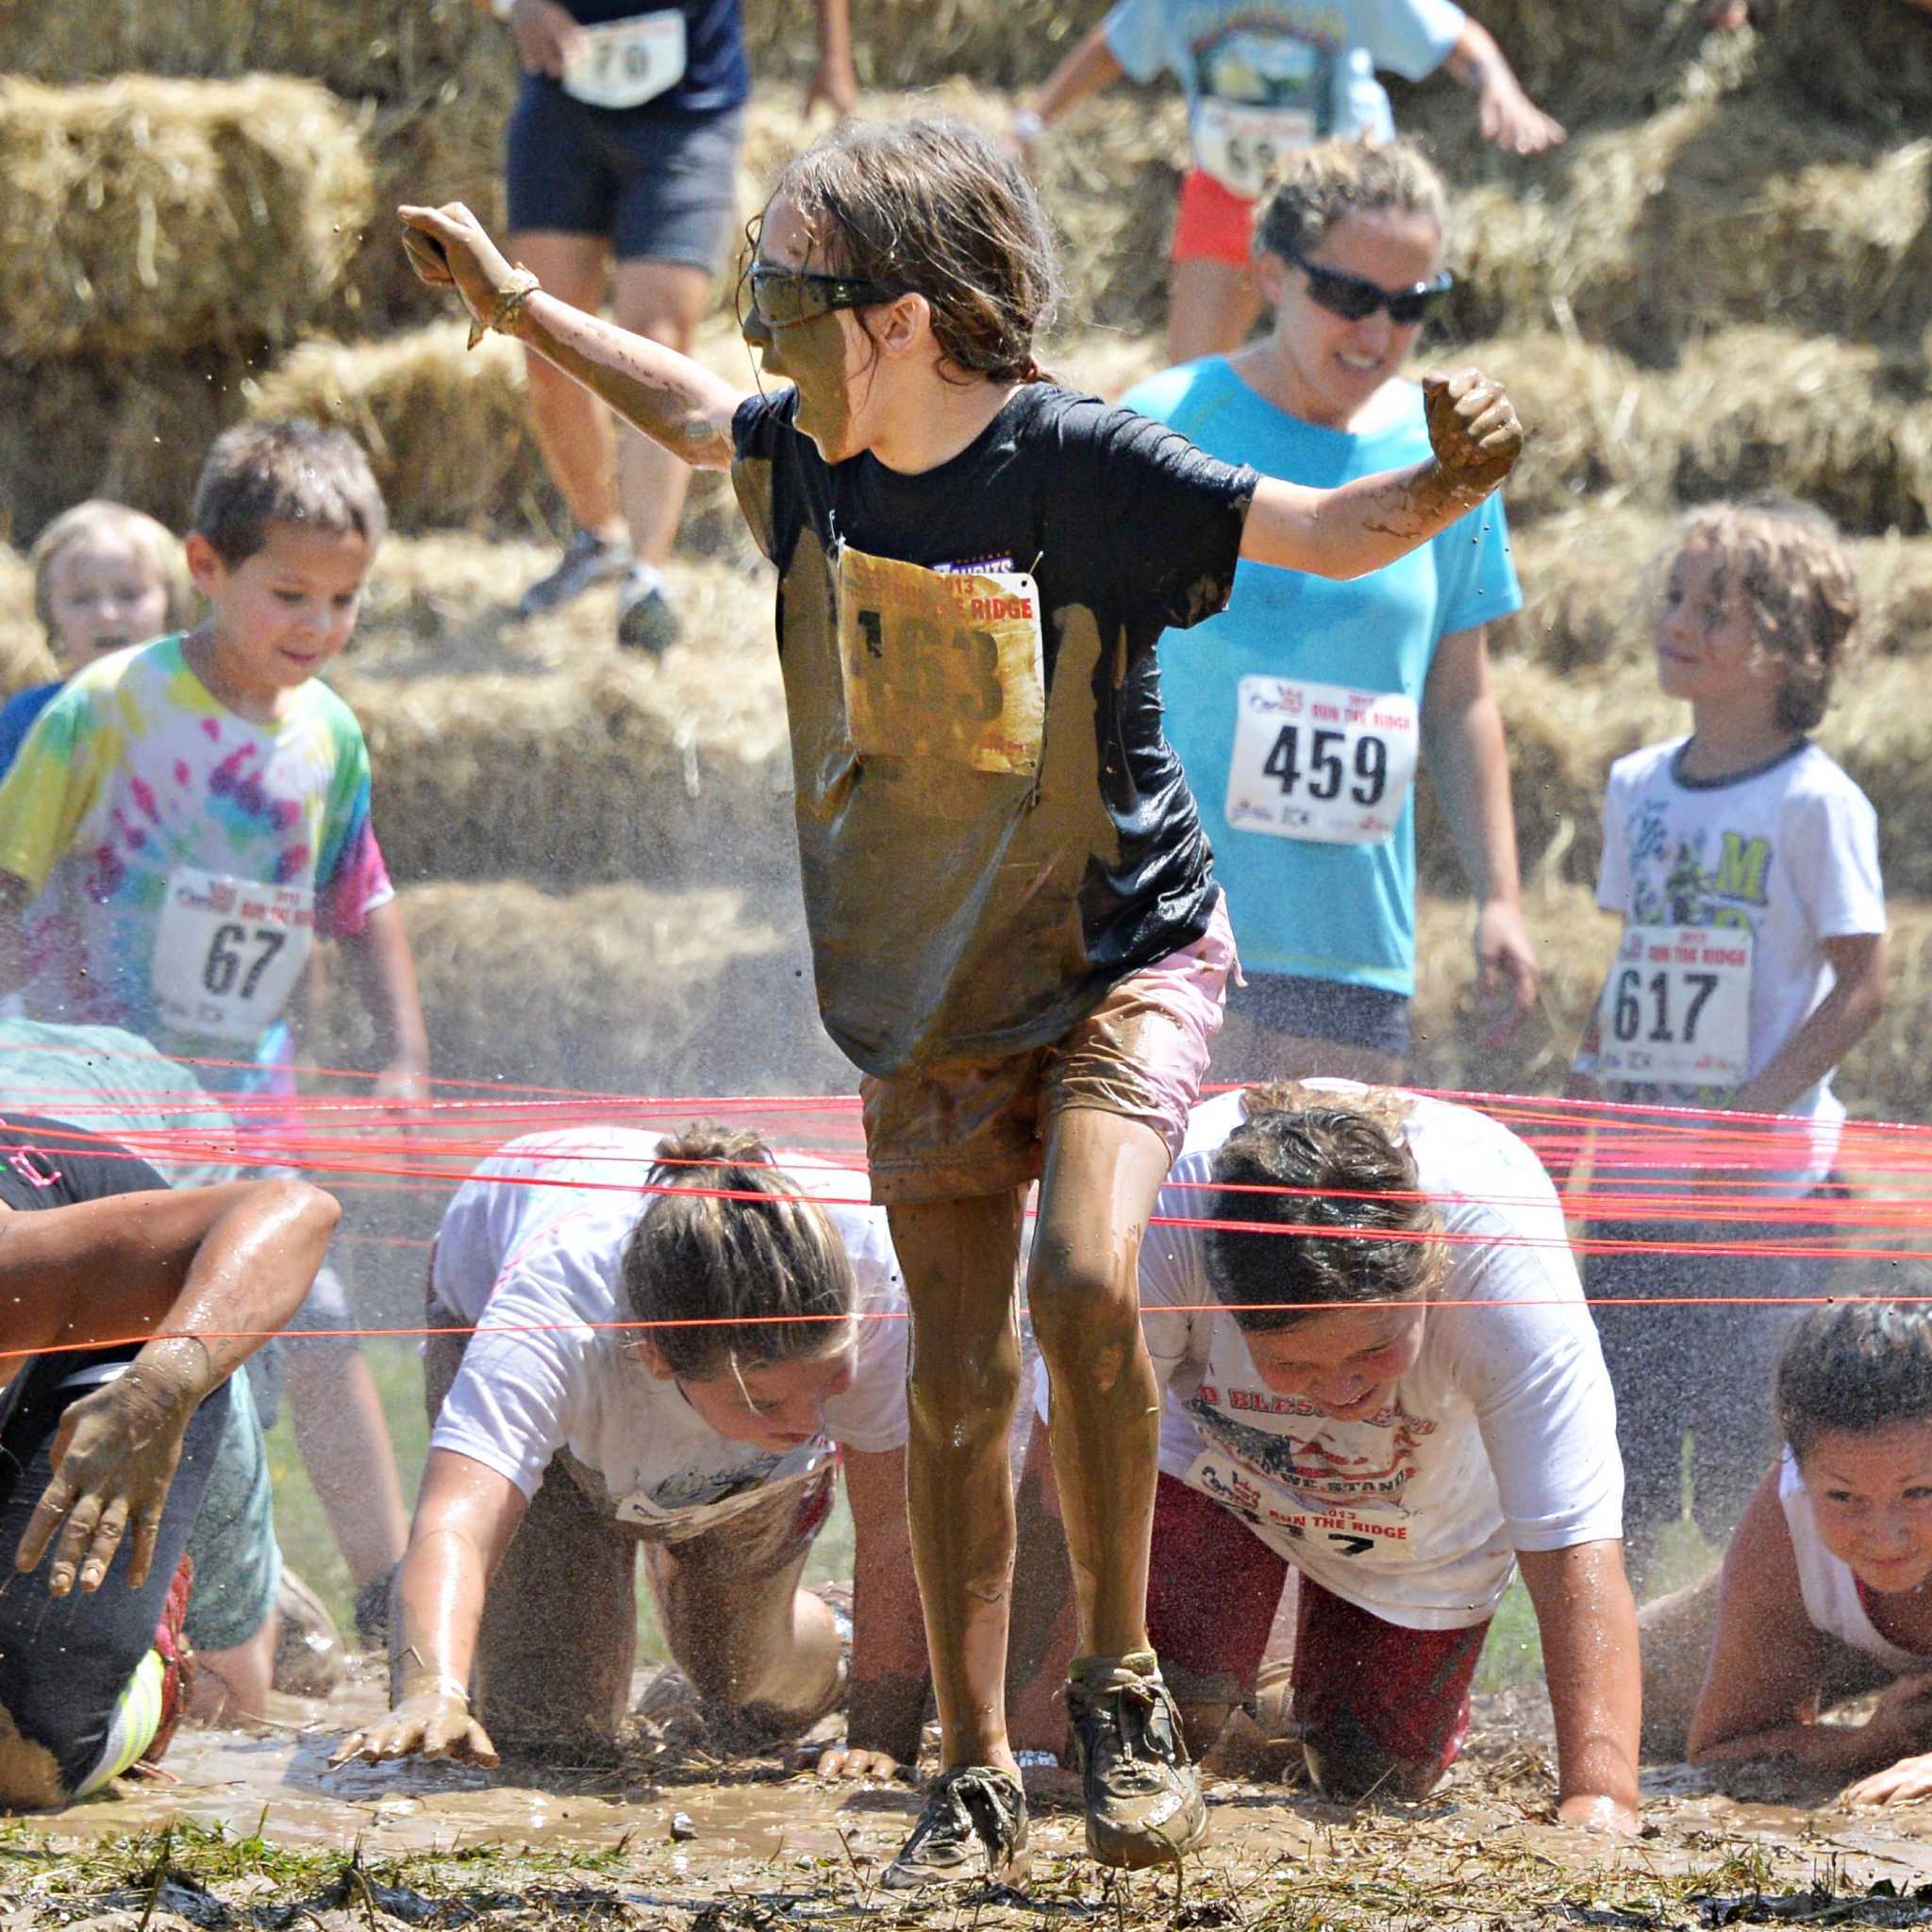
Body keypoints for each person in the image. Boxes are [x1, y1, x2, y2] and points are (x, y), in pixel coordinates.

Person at [398, 114, 1523, 1887]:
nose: (758, 325)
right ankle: (976, 1763)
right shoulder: (809, 450)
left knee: (1081, 1273)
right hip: (928, 983)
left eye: (782, 290)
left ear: (898, 317)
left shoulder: (1078, 459)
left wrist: (1443, 485)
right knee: (949, 1372)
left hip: (1121, 949)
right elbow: (689, 411)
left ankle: (1122, 1685)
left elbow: (1318, 529)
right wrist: (526, 303)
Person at [0, 421, 430, 1651]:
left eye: (344, 601)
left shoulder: (328, 735)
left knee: (323, 1310)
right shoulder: (106, 709)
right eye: (289, 594)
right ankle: (198, 1605)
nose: (318, 625)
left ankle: (389, 1585)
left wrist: (401, 1052)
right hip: (99, 1100)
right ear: (204, 567)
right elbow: (10, 877)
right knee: (142, 1338)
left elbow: (363, 900)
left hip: (249, 1101)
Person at [1007, 1080, 1641, 1829]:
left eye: (1376, 1348)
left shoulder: (1503, 1267)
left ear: (1432, 1270)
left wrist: (1600, 1800)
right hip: (1207, 1459)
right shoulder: (1161, 1215)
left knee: (1367, 1776)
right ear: (1229, 1305)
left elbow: (1576, 1552)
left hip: (1423, 1510)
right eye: (1297, 1364)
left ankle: (1277, 1695)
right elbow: (1068, 1461)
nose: (1340, 1391)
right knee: (1149, 1730)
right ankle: (1232, 1683)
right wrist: (1034, 1740)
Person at [332, 1124, 927, 1776]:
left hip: (706, 1382)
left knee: (746, 1687)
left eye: (830, 1380)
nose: (812, 1419)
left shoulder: (875, 1276)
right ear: (655, 1358)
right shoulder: (552, 1318)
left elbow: (896, 1525)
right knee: (549, 1736)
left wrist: (881, 1734)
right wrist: (429, 1693)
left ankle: (835, 1628)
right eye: (764, 1401)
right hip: (525, 1320)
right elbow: (456, 1524)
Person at [1122, 141, 1532, 1085]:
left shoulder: (1446, 461)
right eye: (1346, 296)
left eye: (1407, 305)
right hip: (1170, 927)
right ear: (1269, 271)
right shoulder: (1169, 420)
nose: (1374, 331)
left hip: (1351, 951)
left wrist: (1499, 897)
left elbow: (1460, 693)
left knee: (1323, 1235)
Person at [1569, 502, 1887, 1591]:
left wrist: (1753, 1110)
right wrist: (1580, 1089)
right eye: (1674, 596)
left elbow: (1862, 982)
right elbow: (1634, 959)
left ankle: (1757, 1644)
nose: (1679, 620)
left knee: (1749, 1457)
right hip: (1634, 1186)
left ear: (1786, 646)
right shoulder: (1634, 785)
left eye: (1715, 606)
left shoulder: (1813, 800)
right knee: (1622, 1456)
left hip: (1756, 1197)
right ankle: (1626, 1662)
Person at [485, 0, 858, 651]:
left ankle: (646, 577)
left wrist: (832, 58)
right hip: (561, 105)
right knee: (541, 341)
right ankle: (599, 536)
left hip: (690, 110)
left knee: (656, 337)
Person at [0, 1115, 337, 1808]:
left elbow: (295, 1210)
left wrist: (161, 1390)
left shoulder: (17, 1266)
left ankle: (162, 1644)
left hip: (146, 1353)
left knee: (26, 1761)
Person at [0, 1017, 298, 1724]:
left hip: (165, 1288)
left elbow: (291, 1211)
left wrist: (161, 1387)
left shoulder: (31, 1258)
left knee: (46, 1727)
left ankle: (182, 1649)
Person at [1015, 0, 1563, 363]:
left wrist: (1499, 87)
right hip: (1229, 192)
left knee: (1353, 360)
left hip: (1344, 203)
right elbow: (1112, 46)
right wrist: (1031, 122)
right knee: (1191, 379)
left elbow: (1451, 36)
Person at [1637, 1301, 1932, 1807]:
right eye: (1843, 1497)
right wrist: (1872, 1743)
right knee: (1638, 1681)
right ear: (1801, 1472)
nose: (1886, 1537)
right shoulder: (1785, 1521)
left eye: (1919, 1493)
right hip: (1836, 1640)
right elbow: (1721, 1749)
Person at [0, 502, 191, 778]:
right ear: (48, 612)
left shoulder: (198, 712)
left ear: (170, 601)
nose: (107, 614)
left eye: (129, 595)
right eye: (82, 599)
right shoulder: (30, 720)